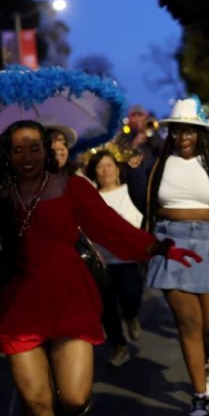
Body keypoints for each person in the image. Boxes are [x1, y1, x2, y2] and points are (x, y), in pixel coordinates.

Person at [0, 120, 199, 416]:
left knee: (74, 398)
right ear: (7, 155)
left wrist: (160, 248)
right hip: (19, 305)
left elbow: (111, 229)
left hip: (68, 297)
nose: (27, 156)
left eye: (35, 148)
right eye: (18, 149)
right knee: (35, 402)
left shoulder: (73, 187)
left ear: (47, 150)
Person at [127, 98, 209, 416]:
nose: (183, 137)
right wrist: (135, 175)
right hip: (171, 242)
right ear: (171, 133)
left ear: (200, 133)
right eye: (178, 131)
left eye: (189, 131)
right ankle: (200, 392)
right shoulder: (158, 163)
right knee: (189, 325)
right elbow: (144, 204)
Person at [85, 149, 145, 368]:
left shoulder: (130, 191)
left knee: (131, 295)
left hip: (127, 259)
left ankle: (131, 316)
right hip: (102, 261)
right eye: (100, 166)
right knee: (106, 308)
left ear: (117, 168)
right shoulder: (91, 197)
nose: (105, 170)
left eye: (109, 165)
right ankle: (119, 347)